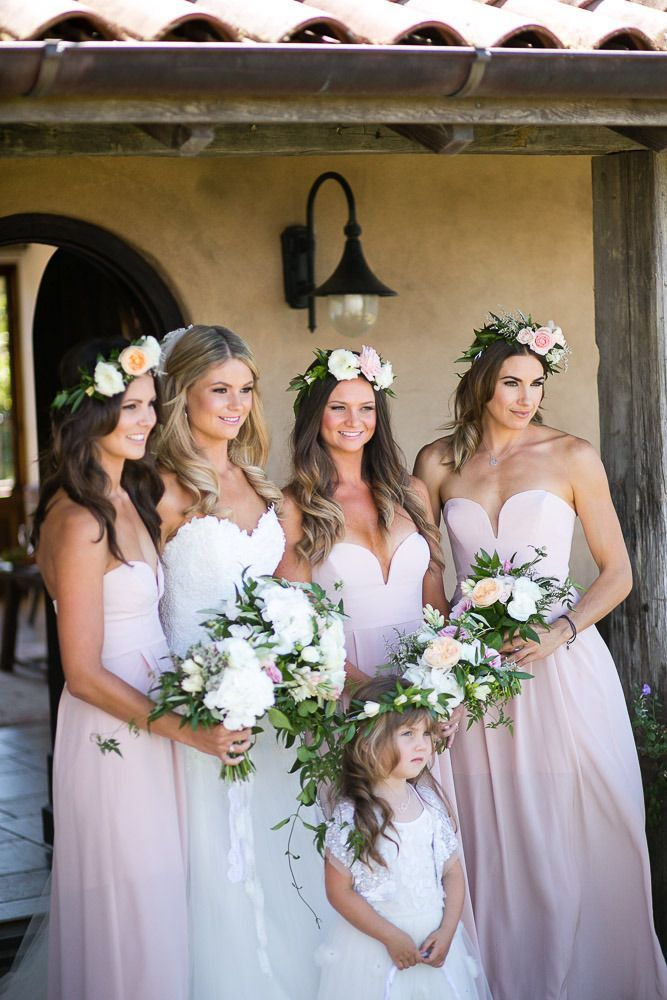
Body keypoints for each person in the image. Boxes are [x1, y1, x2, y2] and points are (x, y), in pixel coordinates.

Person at [414, 313, 667, 1000]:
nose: (524, 397)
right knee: (485, 828)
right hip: (472, 674)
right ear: (478, 385)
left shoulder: (571, 455)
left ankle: (585, 980)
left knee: (576, 820)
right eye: (509, 382)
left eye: (534, 383)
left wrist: (560, 630)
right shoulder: (437, 463)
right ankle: (497, 978)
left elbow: (616, 573)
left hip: (559, 665)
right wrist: (443, 647)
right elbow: (428, 574)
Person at [28, 336, 240, 1000]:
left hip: (157, 716)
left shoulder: (131, 499)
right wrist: (185, 728)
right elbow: (83, 671)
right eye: (128, 406)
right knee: (130, 899)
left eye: (149, 405)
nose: (145, 420)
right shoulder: (80, 521)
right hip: (114, 732)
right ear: (90, 416)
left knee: (163, 893)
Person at [155, 324, 325, 1000]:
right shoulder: (159, 490)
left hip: (270, 710)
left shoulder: (265, 491)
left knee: (281, 858)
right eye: (217, 390)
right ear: (181, 396)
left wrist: (306, 665)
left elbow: (296, 601)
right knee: (217, 871)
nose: (235, 405)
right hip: (195, 713)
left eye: (245, 390)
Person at [316, 676, 491, 1000]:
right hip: (374, 948)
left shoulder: (429, 803)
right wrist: (389, 936)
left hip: (433, 939)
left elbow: (452, 872)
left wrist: (448, 929)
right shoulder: (352, 814)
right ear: (368, 742)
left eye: (425, 733)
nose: (422, 744)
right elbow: (338, 890)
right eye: (408, 734)